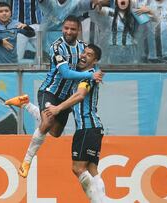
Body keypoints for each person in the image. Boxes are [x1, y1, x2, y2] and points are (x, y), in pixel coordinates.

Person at [5, 15, 103, 178]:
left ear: (78, 31)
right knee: (48, 121)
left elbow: (92, 64)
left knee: (55, 132)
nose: (69, 32)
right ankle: (27, 161)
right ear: (62, 29)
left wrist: (96, 74)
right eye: (66, 28)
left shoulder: (83, 48)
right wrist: (91, 76)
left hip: (66, 98)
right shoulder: (56, 47)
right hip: (50, 91)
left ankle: (26, 103)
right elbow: (65, 72)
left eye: (72, 29)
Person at [45, 43, 105, 203]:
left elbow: (79, 95)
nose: (84, 56)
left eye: (89, 55)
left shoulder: (88, 75)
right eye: (83, 52)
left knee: (78, 168)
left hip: (87, 128)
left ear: (95, 61)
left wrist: (58, 108)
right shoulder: (86, 75)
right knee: (92, 170)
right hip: (94, 128)